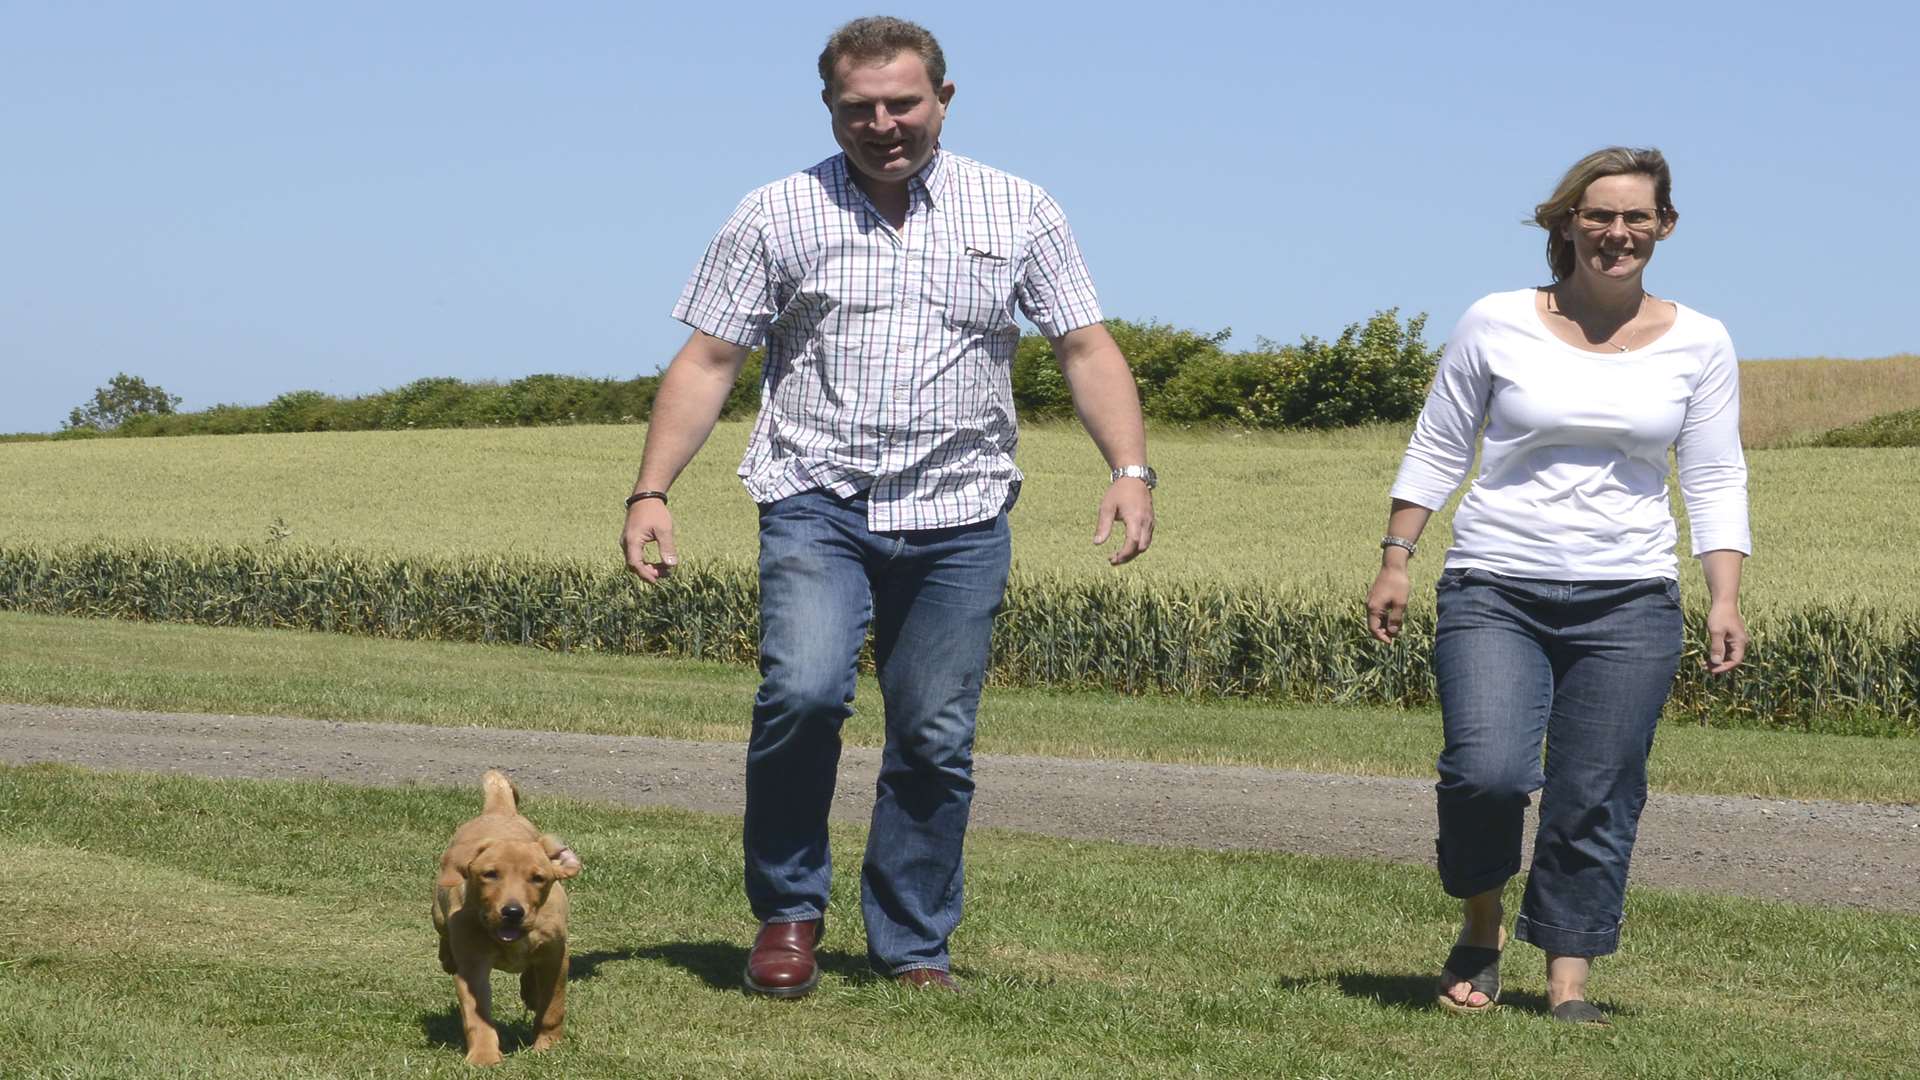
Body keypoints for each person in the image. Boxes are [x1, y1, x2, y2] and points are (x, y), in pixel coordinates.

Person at [620, 16, 1155, 996]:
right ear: (829, 109)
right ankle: (789, 914)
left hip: (961, 514)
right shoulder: (775, 213)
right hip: (816, 503)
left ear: (943, 99)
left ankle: (912, 944)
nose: (883, 123)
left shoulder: (1019, 209)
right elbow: (710, 359)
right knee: (804, 695)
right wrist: (652, 489)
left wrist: (1130, 467)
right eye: (858, 107)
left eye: (902, 102)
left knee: (933, 737)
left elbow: (1084, 344)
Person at [1364, 146, 1750, 1025]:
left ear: (1665, 227)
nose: (1618, 233)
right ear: (1567, 222)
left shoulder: (1702, 340)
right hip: (1495, 583)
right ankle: (1482, 922)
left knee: (1597, 789)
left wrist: (1723, 594)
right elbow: (1438, 442)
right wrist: (1397, 556)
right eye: (1600, 215)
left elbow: (1717, 472)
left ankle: (1569, 980)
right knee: (1487, 772)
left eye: (1636, 218)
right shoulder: (1497, 320)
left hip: (1630, 597)